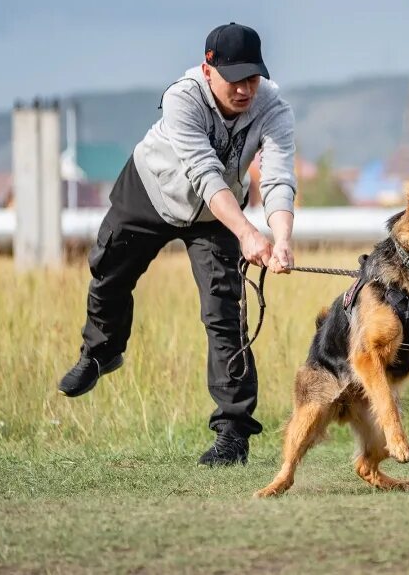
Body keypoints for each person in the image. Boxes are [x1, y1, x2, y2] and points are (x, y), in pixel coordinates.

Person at [58, 23, 296, 466]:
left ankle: (233, 434)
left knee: (225, 313)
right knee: (108, 272)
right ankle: (101, 352)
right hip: (150, 190)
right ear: (209, 68)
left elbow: (279, 175)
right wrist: (247, 232)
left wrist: (280, 239)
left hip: (216, 214)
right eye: (235, 79)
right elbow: (203, 172)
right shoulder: (181, 98)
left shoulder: (273, 107)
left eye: (253, 78)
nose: (246, 89)